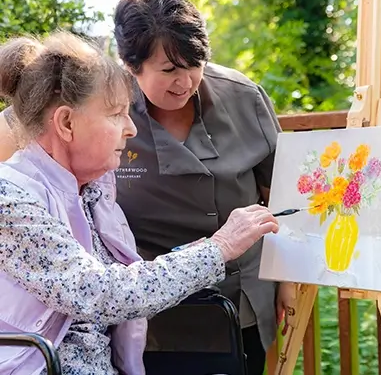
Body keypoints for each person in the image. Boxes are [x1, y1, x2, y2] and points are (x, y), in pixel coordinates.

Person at [0, 32, 279, 375]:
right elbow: (100, 292)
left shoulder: (92, 193)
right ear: (66, 123)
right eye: (117, 113)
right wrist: (219, 247)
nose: (131, 128)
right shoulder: (10, 198)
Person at [113, 0, 290, 374]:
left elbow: (282, 193)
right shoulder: (107, 106)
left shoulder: (244, 97)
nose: (185, 81)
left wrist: (288, 278)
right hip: (149, 308)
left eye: (195, 64)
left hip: (240, 298)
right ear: (130, 64)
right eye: (169, 70)